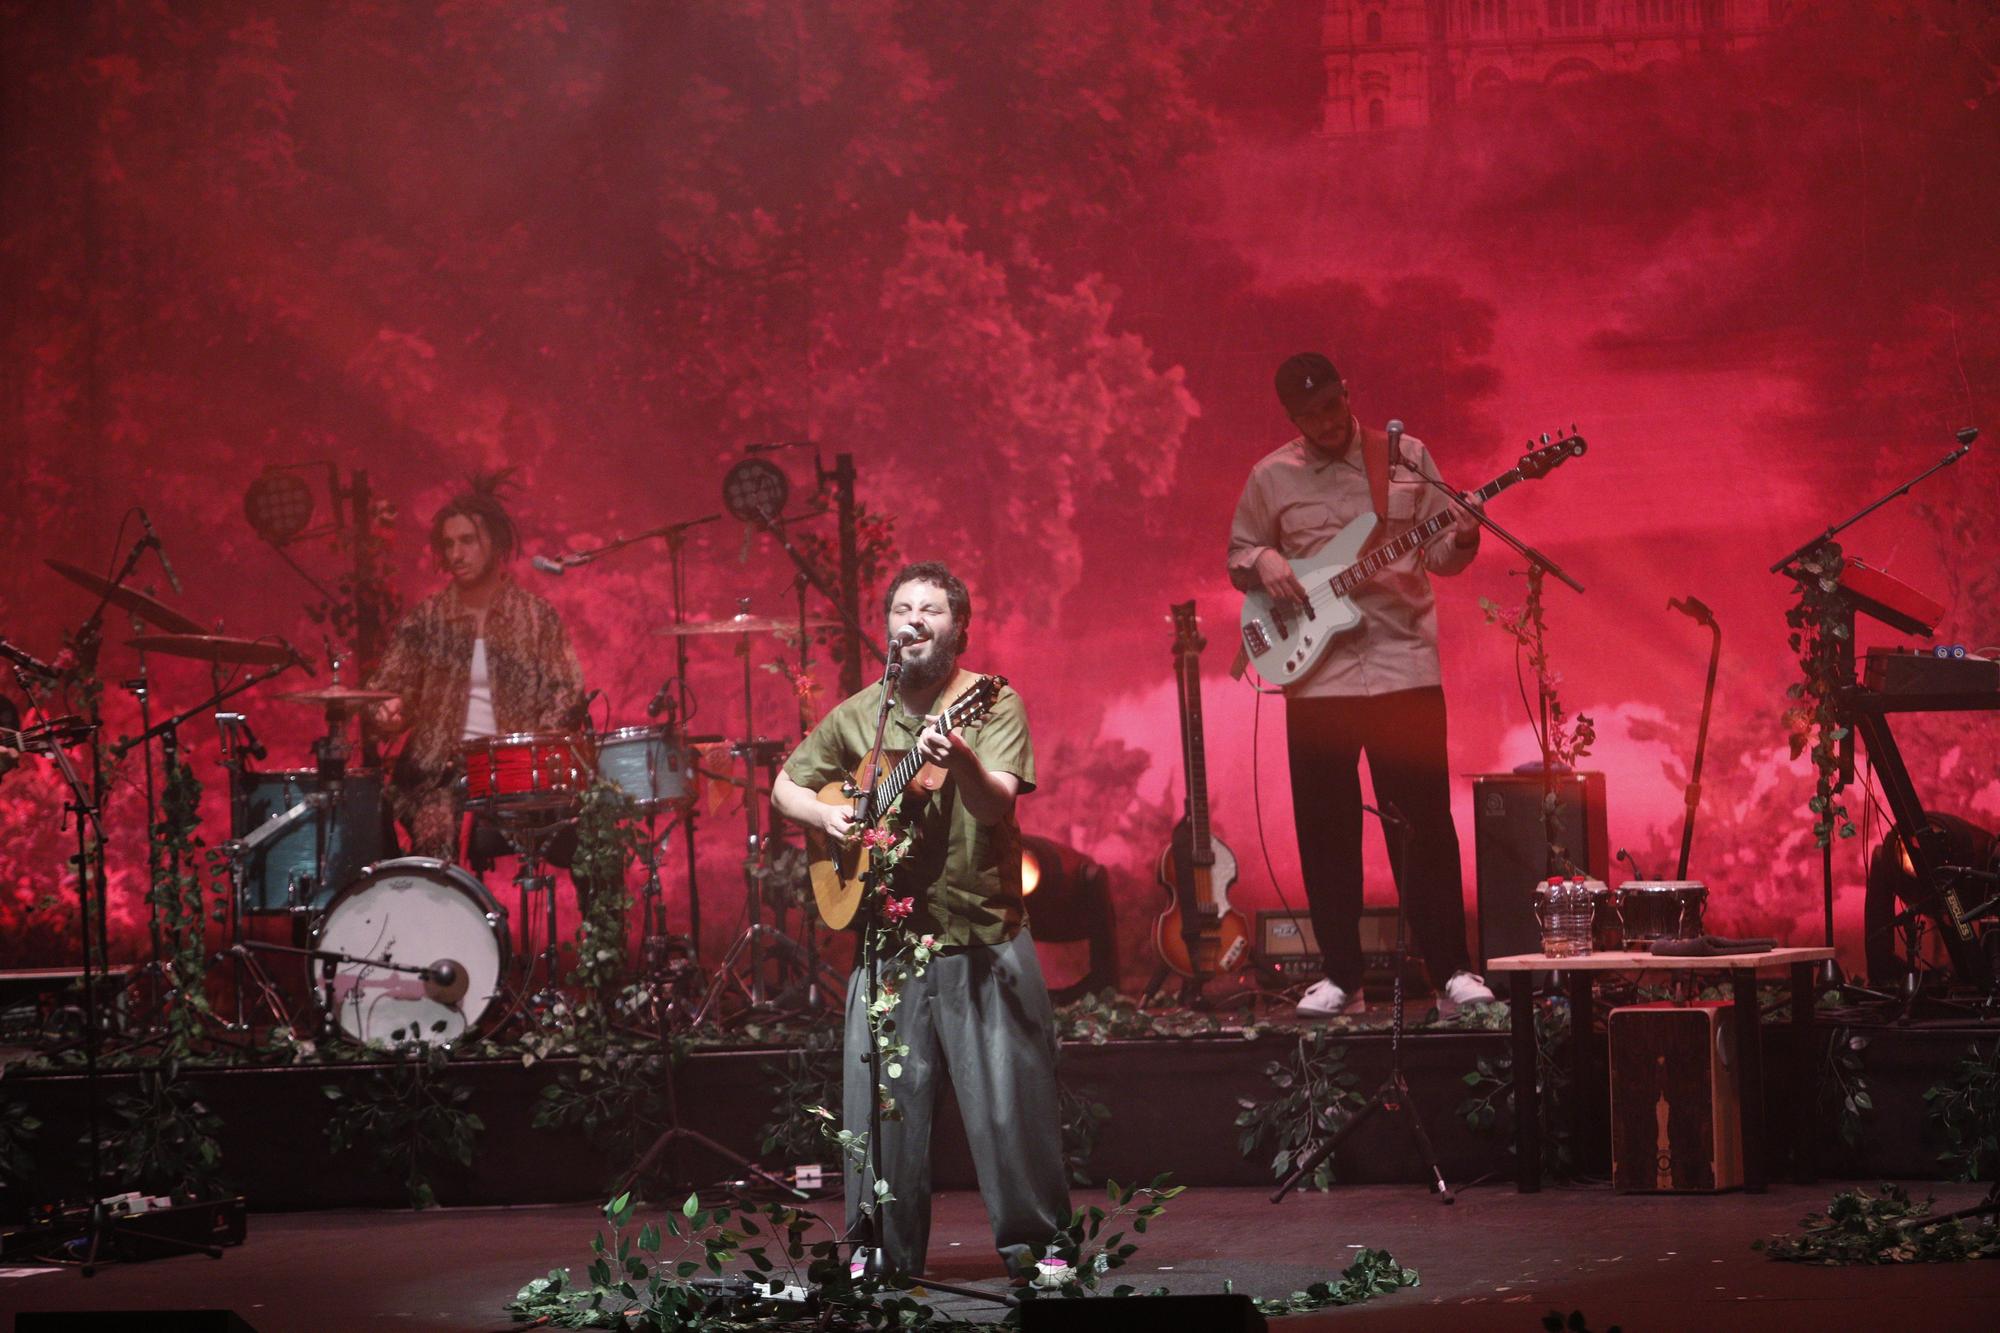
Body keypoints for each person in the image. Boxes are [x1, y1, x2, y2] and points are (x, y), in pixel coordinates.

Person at [770, 561, 1069, 1283]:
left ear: (957, 627)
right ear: (888, 628)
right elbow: (785, 783)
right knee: (881, 1111)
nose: (914, 619)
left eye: (930, 609)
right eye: (903, 608)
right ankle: (881, 1250)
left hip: (979, 932)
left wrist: (957, 754)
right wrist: (827, 812)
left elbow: (995, 803)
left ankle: (1036, 1249)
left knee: (1007, 1109)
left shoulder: (988, 700)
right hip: (890, 941)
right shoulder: (861, 712)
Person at [1227, 352, 1496, 1019]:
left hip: (1404, 662)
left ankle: (1451, 969)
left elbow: (1442, 557)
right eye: (1309, 415)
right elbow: (1239, 555)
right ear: (1292, 417)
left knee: (1425, 823)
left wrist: (1463, 537)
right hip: (1317, 676)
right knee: (1326, 829)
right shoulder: (1271, 476)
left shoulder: (1404, 459)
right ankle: (1340, 974)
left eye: (1332, 407)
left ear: (1350, 392)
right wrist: (1264, 558)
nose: (1324, 423)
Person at [369, 470, 586, 861]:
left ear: (496, 542)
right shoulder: (427, 620)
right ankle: (441, 920)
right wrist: (387, 709)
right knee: (434, 831)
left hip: (518, 773)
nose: (456, 554)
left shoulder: (536, 617)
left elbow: (567, 693)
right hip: (439, 775)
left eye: (467, 541)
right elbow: (387, 688)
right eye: (448, 544)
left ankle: (600, 924)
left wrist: (532, 753)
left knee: (597, 832)